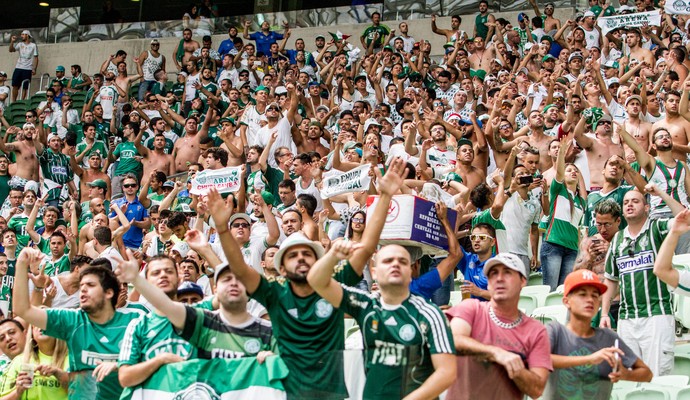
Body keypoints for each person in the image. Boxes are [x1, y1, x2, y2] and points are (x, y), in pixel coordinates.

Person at [207, 157, 407, 399]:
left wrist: (384, 196)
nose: (301, 258)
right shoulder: (274, 291)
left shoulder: (333, 284)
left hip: (332, 394)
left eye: (307, 254)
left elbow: (366, 248)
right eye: (293, 255)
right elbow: (239, 268)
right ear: (282, 267)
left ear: (317, 261)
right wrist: (221, 227)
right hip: (289, 393)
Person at [307, 241, 457, 399]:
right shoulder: (365, 304)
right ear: (374, 272)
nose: (395, 264)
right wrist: (332, 256)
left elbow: (447, 372)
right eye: (387, 261)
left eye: (403, 261)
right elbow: (316, 281)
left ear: (411, 271)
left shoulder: (429, 313)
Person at [13, 248, 145, 400]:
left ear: (109, 293)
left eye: (90, 285)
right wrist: (22, 263)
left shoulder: (135, 320)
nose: (82, 290)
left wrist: (137, 279)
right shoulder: (72, 319)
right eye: (81, 286)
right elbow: (22, 310)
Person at [446, 253, 552, 399]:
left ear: (523, 282)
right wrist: (497, 353)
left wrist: (517, 371)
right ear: (488, 283)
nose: (500, 278)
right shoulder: (471, 308)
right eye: (493, 274)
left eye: (507, 273)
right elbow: (453, 340)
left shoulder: (536, 330)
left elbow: (537, 389)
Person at [600, 190, 676, 377]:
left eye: (635, 201)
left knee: (657, 378)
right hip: (627, 320)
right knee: (630, 380)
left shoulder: (657, 228)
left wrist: (660, 193)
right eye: (626, 202)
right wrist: (604, 313)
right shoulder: (617, 239)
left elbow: (686, 218)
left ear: (647, 207)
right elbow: (611, 279)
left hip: (657, 316)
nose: (630, 205)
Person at [544, 269, 652, 399]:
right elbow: (539, 359)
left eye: (595, 295)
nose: (590, 300)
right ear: (566, 301)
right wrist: (589, 359)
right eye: (582, 294)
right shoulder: (555, 331)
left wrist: (624, 374)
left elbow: (646, 373)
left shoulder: (608, 337)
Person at [541, 133, 586, 291]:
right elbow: (559, 173)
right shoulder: (557, 190)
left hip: (572, 249)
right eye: (569, 170)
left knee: (564, 291)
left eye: (575, 171)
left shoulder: (581, 201)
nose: (573, 172)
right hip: (553, 244)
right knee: (550, 290)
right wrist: (562, 152)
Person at [8, 30, 38, 102]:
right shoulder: (20, 44)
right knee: (15, 85)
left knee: (25, 87)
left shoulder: (33, 45)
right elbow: (11, 50)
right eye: (21, 34)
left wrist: (34, 68)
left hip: (28, 68)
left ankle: (22, 101)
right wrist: (12, 42)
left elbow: (36, 57)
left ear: (27, 35)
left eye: (23, 34)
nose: (21, 36)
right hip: (18, 67)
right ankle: (14, 102)